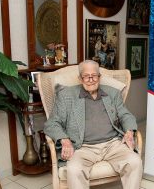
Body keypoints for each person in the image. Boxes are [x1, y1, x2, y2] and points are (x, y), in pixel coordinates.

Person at [44, 60, 143, 189]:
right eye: (86, 76)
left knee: (135, 162)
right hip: (82, 147)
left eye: (94, 75)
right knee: (74, 169)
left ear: (99, 77)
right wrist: (65, 140)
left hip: (112, 144)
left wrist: (129, 132)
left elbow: (126, 115)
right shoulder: (66, 96)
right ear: (80, 78)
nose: (91, 79)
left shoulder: (112, 93)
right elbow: (52, 123)